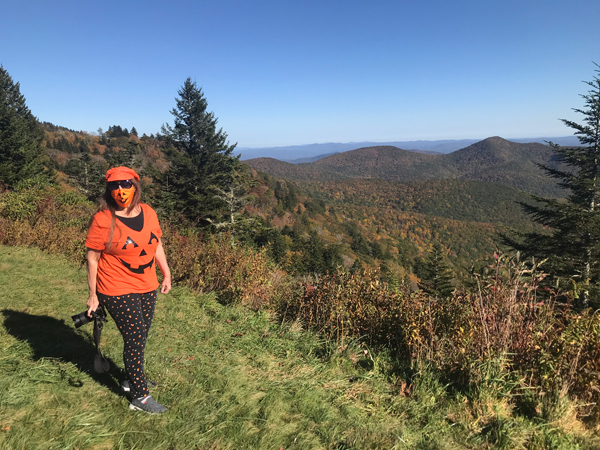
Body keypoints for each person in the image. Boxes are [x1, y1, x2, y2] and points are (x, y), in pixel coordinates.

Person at [84, 166, 171, 414]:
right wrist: (93, 296)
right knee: (134, 338)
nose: (120, 190)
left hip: (147, 285)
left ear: (135, 186)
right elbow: (92, 258)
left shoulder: (150, 213)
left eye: (125, 184)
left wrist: (166, 272)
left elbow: (156, 245)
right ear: (108, 189)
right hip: (115, 287)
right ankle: (140, 397)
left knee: (141, 336)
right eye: (114, 186)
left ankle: (131, 380)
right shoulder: (103, 219)